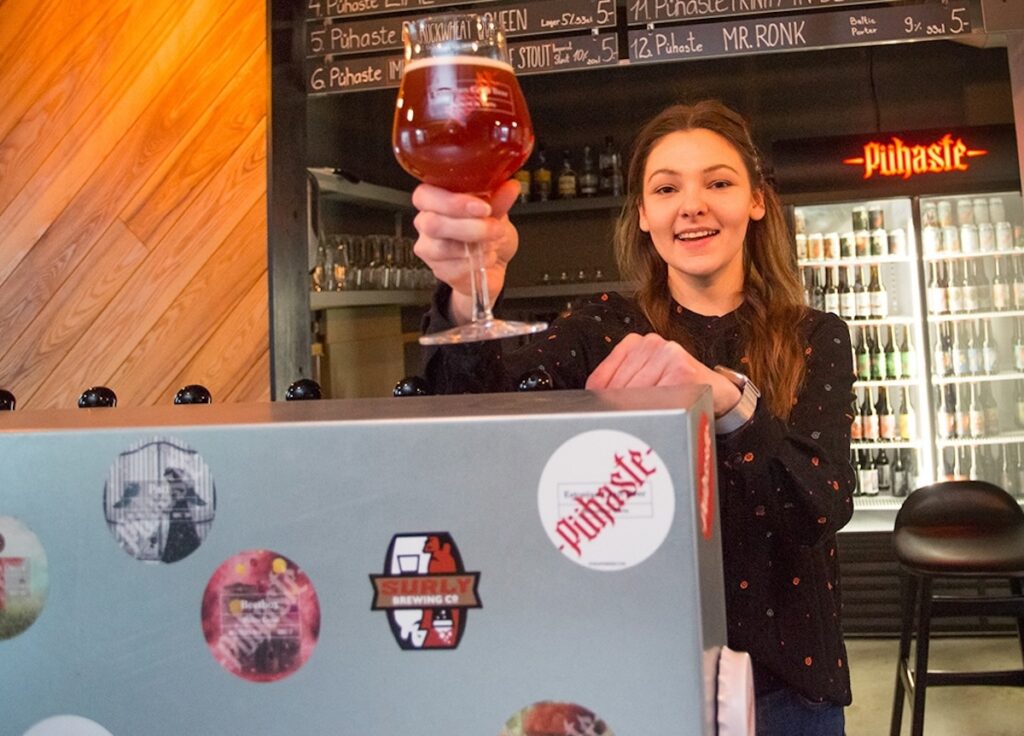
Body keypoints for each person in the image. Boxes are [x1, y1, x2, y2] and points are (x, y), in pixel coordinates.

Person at [411, 100, 856, 735]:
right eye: (667, 188)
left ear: (757, 201)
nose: (692, 205)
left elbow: (820, 504)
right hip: (637, 679)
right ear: (644, 214)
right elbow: (474, 417)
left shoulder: (816, 335)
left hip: (785, 689)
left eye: (718, 183)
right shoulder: (601, 326)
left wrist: (726, 400)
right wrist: (467, 295)